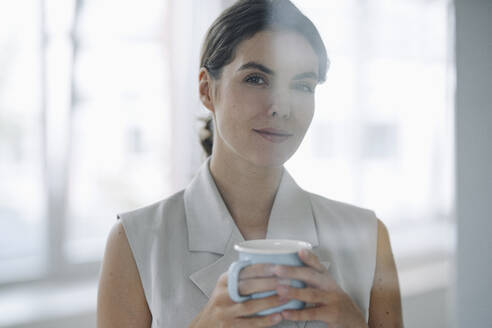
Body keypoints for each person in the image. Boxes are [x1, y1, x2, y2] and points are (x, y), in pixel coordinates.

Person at [97, 0, 403, 327]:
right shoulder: (136, 241)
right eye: (256, 79)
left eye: (302, 85)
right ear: (206, 89)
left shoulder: (369, 237)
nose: (280, 107)